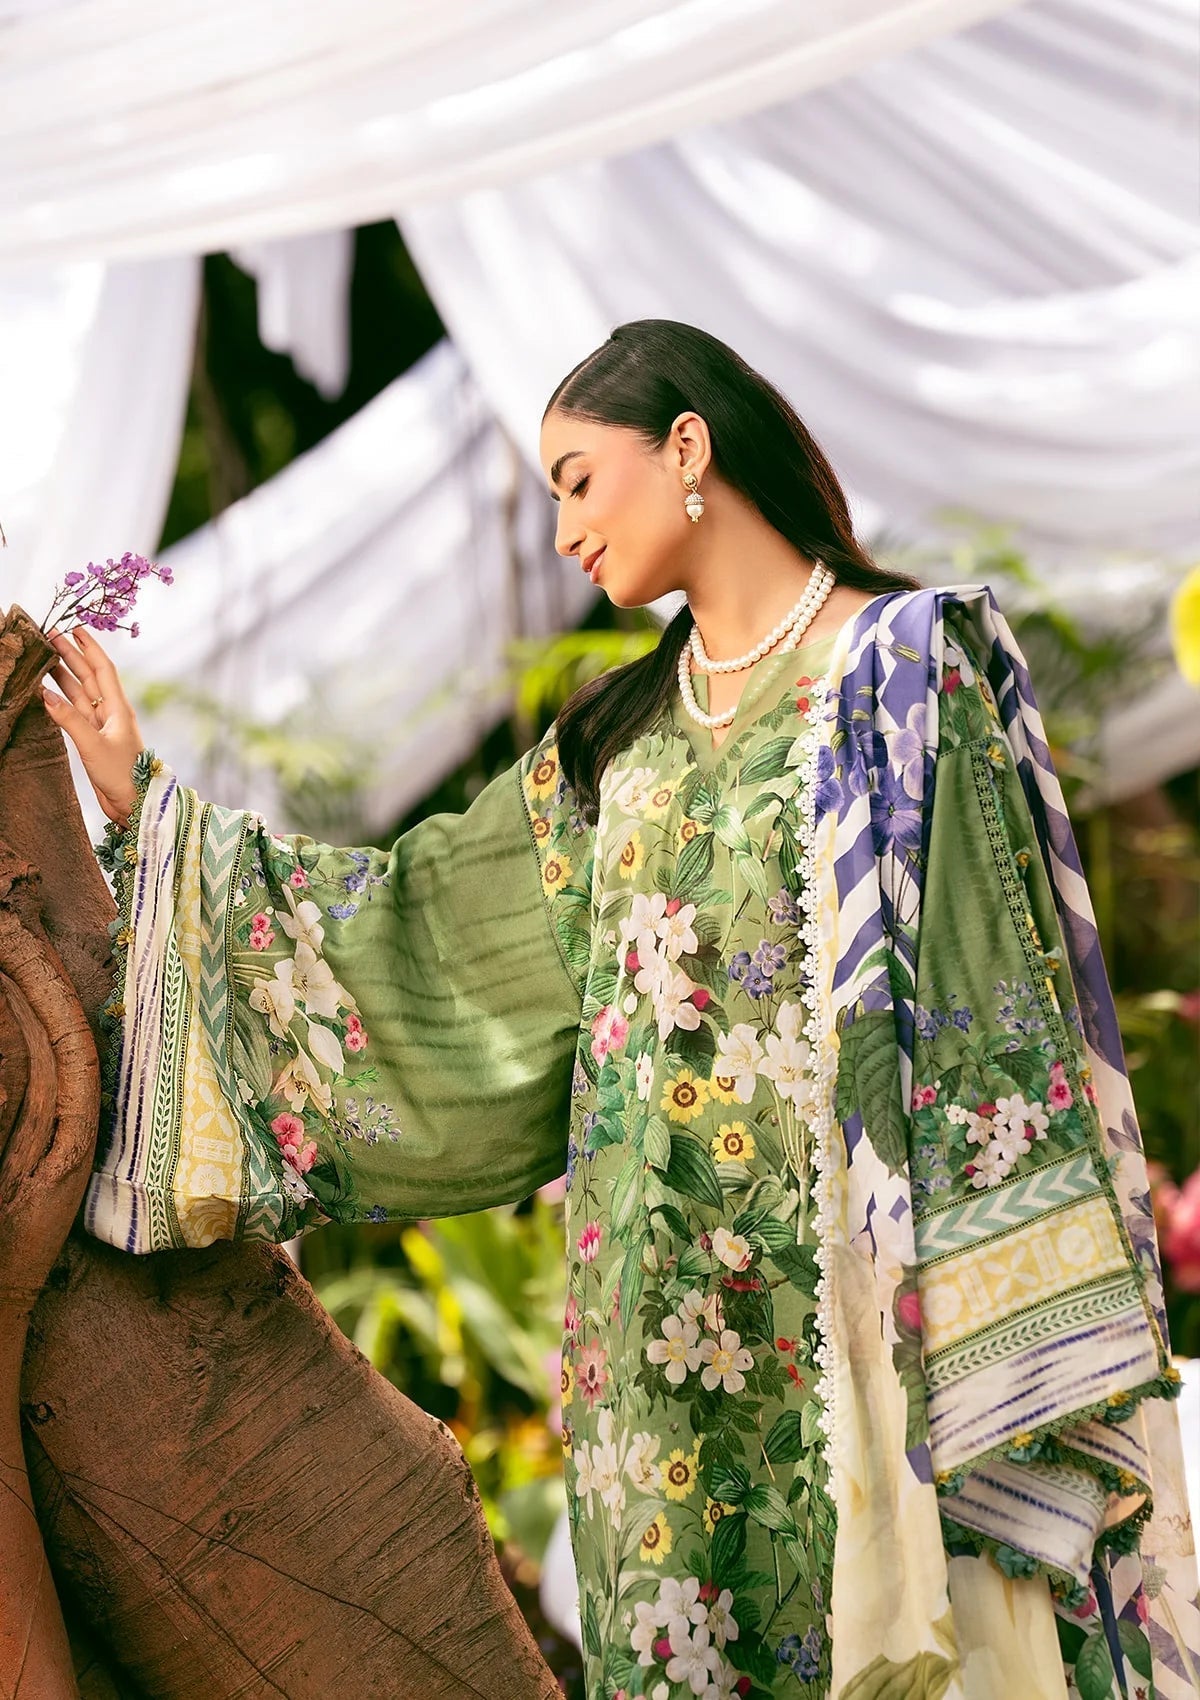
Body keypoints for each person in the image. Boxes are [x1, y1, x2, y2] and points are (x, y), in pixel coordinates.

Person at [45, 320, 1198, 1700]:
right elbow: (425, 939)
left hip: (856, 1326)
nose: (565, 533)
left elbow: (990, 1001)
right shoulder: (615, 738)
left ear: (688, 447)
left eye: (581, 480)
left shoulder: (903, 668)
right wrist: (151, 812)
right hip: (661, 1354)